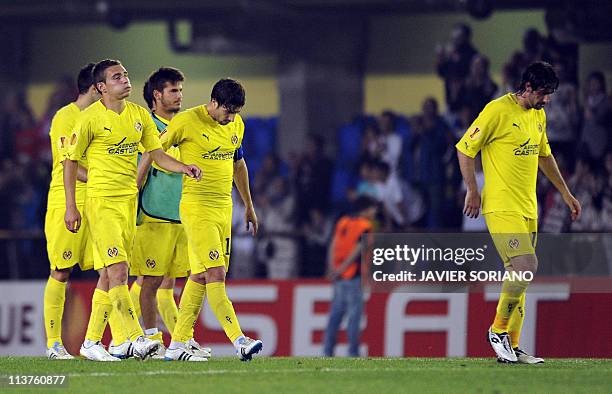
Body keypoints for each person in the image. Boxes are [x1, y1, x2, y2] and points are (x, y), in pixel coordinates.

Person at [63, 59, 202, 361]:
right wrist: (71, 206)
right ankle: (133, 337)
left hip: (128, 204)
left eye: (125, 75)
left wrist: (184, 168)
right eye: (117, 77)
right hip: (102, 203)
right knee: (119, 271)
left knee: (109, 277)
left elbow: (156, 154)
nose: (125, 80)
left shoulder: (139, 116)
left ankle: (91, 342)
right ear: (101, 87)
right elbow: (70, 162)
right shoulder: (89, 119)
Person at [456, 61, 581, 364]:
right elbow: (464, 149)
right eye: (543, 93)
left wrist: (565, 192)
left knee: (519, 276)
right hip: (501, 205)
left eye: (550, 94)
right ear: (527, 87)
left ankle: (511, 345)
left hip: (528, 208)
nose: (547, 99)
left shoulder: (538, 115)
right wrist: (473, 190)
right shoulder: (497, 110)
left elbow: (544, 156)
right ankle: (498, 331)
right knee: (526, 265)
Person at [106, 67, 210, 359]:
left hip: (182, 212)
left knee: (176, 281)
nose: (179, 96)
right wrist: (131, 198)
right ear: (157, 95)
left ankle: (178, 340)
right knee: (149, 281)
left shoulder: (185, 124)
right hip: (152, 213)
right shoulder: (143, 125)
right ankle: (145, 339)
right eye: (173, 90)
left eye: (180, 90)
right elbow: (140, 165)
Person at [159, 78, 263, 362]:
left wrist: (249, 206)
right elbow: (155, 152)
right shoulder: (186, 122)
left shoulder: (235, 125)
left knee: (201, 276)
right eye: (227, 111)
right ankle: (239, 340)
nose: (231, 118)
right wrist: (181, 167)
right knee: (216, 274)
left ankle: (178, 343)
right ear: (213, 102)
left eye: (236, 112)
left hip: (223, 209)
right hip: (196, 208)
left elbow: (238, 165)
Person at [44, 63, 102, 360]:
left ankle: (99, 342)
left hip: (96, 201)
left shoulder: (100, 117)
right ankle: (54, 343)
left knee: (109, 270)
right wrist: (104, 178)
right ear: (95, 88)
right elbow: (70, 164)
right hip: (66, 201)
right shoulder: (66, 117)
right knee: (61, 271)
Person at [323, 196, 377, 357]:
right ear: (366, 209)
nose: (375, 212)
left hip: (339, 277)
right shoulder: (365, 226)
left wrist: (333, 267)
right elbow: (358, 250)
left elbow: (333, 244)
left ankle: (327, 351)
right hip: (353, 276)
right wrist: (342, 268)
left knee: (335, 316)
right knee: (354, 318)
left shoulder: (343, 222)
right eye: (373, 209)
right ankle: (353, 352)